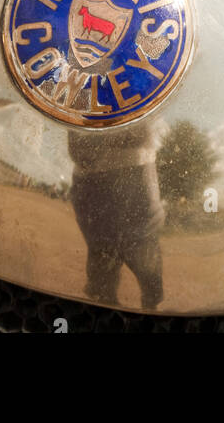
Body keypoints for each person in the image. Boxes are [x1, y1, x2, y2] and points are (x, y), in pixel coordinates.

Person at [68, 122, 165, 311]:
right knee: (102, 262)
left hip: (132, 170)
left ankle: (153, 308)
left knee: (145, 258)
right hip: (90, 179)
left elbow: (139, 134)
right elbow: (79, 150)